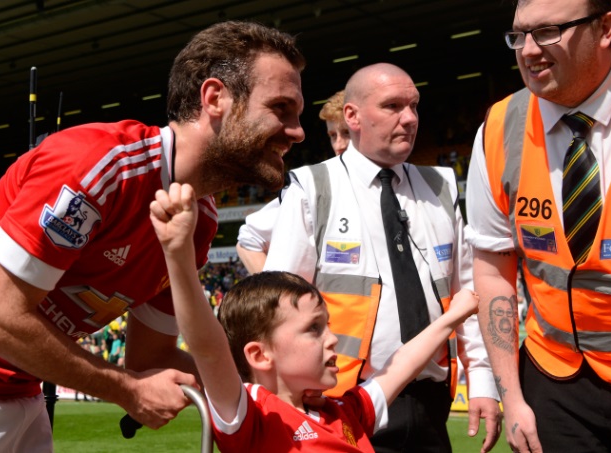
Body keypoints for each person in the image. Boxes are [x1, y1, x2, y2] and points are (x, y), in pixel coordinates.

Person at [0, 21, 305, 452]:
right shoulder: (99, 163)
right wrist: (126, 391)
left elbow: (152, 357)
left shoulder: (198, 222)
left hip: (20, 393)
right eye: (280, 109)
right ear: (215, 98)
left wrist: (270, 387)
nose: (297, 132)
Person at [264, 63, 502, 453]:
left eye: (413, 105)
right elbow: (276, 309)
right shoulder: (312, 189)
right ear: (352, 117)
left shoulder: (440, 187)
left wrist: (483, 380)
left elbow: (469, 294)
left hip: (431, 401)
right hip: (342, 403)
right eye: (392, 106)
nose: (409, 118)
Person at [149, 182, 481, 452]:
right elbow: (208, 348)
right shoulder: (253, 416)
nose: (333, 339)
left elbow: (403, 362)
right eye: (314, 329)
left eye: (327, 326)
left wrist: (453, 317)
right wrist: (178, 254)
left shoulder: (346, 412)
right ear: (259, 354)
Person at [465, 0, 611, 451]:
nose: (528, 50)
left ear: (606, 28)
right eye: (519, 35)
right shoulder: (500, 126)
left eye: (547, 32)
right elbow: (492, 266)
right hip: (552, 380)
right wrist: (513, 395)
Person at [236, 90, 350, 273]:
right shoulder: (315, 187)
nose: (339, 145)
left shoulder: (406, 181)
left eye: (347, 133)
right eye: (333, 135)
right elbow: (249, 238)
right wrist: (273, 296)